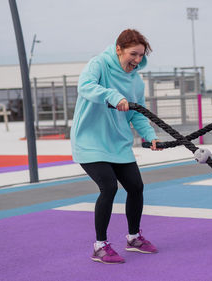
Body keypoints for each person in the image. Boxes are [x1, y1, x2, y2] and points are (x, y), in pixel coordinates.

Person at [70, 29, 162, 264]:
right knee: (109, 187)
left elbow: (138, 113)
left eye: (141, 55)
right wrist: (112, 96)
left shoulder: (136, 81)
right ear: (118, 49)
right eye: (134, 54)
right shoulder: (98, 64)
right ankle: (100, 246)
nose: (137, 60)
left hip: (118, 143)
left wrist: (149, 135)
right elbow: (85, 86)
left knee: (136, 186)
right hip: (90, 141)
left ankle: (133, 238)